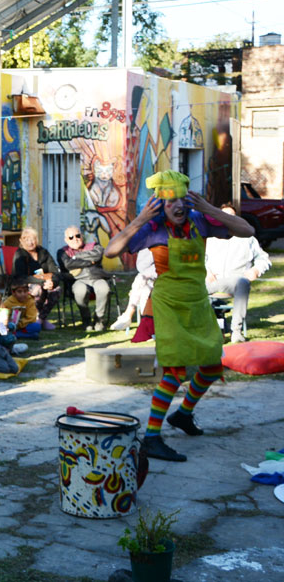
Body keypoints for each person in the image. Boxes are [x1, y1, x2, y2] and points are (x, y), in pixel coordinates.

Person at [104, 170, 254, 462]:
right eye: (171, 201)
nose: (178, 206)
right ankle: (151, 438)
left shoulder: (200, 221)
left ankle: (183, 415)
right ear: (161, 204)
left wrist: (210, 209)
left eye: (182, 199)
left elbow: (247, 231)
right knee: (174, 372)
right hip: (169, 304)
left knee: (212, 367)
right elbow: (112, 251)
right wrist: (140, 219)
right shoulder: (154, 228)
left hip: (198, 301)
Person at [205, 203, 272, 343]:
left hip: (234, 281)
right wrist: (205, 271)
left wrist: (256, 269)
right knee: (191, 288)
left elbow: (263, 259)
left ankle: (236, 331)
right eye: (224, 215)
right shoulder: (210, 236)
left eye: (232, 216)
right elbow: (198, 258)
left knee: (242, 283)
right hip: (210, 280)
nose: (228, 218)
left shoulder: (247, 238)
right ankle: (210, 329)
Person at [59, 226, 112, 331]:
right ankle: (86, 319)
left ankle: (99, 318)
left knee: (104, 289)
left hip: (97, 277)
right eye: (71, 237)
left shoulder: (94, 246)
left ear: (81, 236)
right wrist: (89, 262)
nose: (75, 239)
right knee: (80, 291)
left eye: (77, 235)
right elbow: (67, 264)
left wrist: (76, 257)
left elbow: (97, 255)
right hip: (77, 280)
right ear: (66, 240)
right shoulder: (62, 252)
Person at [11, 227, 60, 330]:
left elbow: (54, 270)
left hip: (46, 282)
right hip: (25, 284)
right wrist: (42, 281)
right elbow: (20, 276)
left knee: (56, 289)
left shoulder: (43, 252)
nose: (30, 242)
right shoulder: (20, 254)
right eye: (26, 239)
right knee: (37, 289)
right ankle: (35, 317)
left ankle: (41, 319)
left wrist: (53, 282)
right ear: (21, 241)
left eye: (33, 239)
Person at [111, 250, 157, 331]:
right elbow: (143, 266)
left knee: (142, 282)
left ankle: (128, 315)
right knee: (144, 291)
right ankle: (148, 328)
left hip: (161, 279)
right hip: (150, 283)